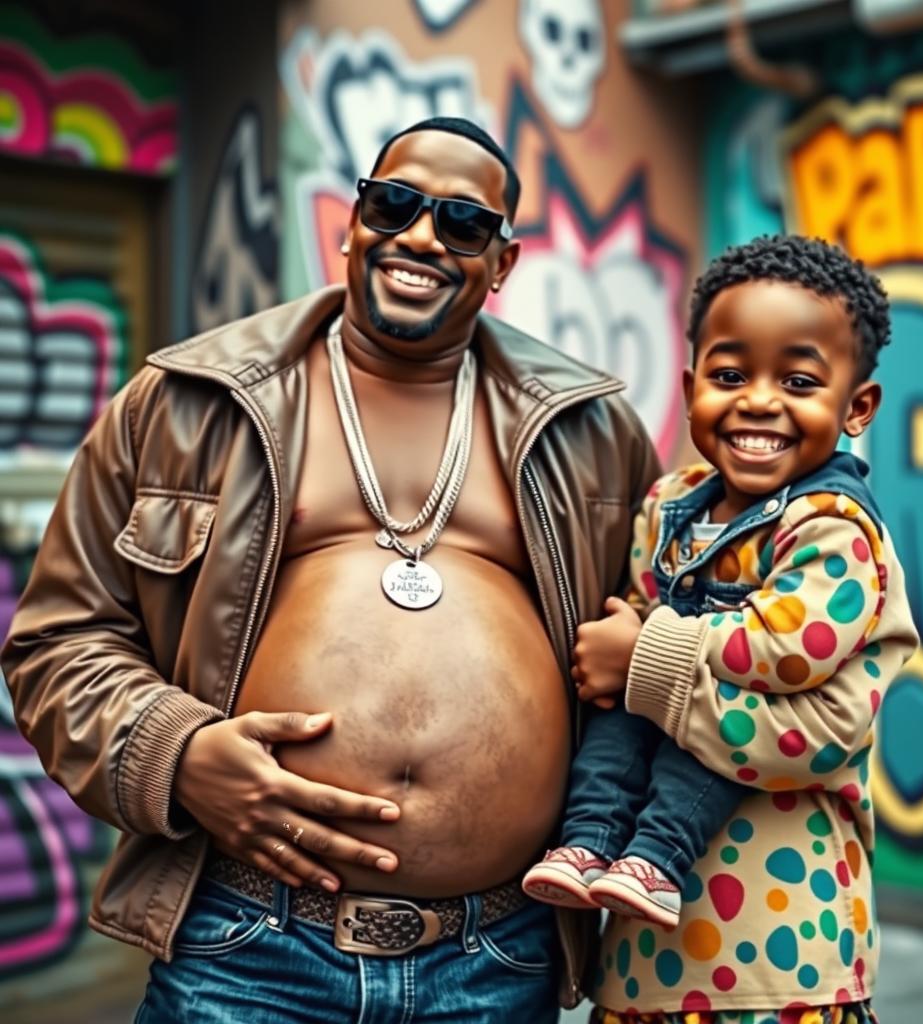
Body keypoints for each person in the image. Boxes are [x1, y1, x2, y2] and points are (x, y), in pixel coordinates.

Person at [1, 116, 660, 1022]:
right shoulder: (189, 402)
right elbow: (58, 642)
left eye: (463, 223)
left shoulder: (593, 433)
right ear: (352, 223)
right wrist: (177, 753)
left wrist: (657, 661)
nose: (421, 236)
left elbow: (685, 637)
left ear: (501, 263)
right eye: (396, 205)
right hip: (247, 949)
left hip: (499, 958)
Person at [524, 235, 919, 1023]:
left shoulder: (836, 531)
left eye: (800, 381)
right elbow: (625, 637)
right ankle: (590, 840)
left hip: (785, 959)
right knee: (616, 726)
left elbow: (793, 668)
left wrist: (645, 656)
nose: (759, 400)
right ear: (692, 383)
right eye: (730, 375)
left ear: (857, 407)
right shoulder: (672, 505)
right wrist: (628, 663)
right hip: (642, 966)